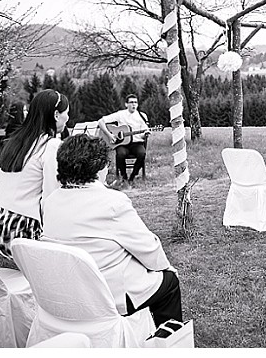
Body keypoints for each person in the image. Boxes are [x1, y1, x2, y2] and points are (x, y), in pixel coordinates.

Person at [41, 134, 182, 326]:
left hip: (66, 291)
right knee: (169, 283)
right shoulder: (112, 202)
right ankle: (169, 341)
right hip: (107, 296)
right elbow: (148, 248)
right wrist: (166, 268)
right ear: (98, 168)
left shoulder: (50, 202)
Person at [0, 89, 69, 260]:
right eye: (67, 113)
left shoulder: (16, 140)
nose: (68, 118)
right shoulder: (51, 146)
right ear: (56, 115)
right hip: (17, 230)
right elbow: (52, 197)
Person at [98, 93, 151, 186]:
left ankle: (132, 177)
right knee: (120, 154)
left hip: (137, 143)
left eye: (135, 102)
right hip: (122, 143)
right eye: (131, 102)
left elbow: (144, 133)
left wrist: (146, 134)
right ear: (126, 104)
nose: (134, 104)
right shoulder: (120, 114)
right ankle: (124, 177)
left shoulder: (142, 116)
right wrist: (109, 135)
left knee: (142, 153)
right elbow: (101, 121)